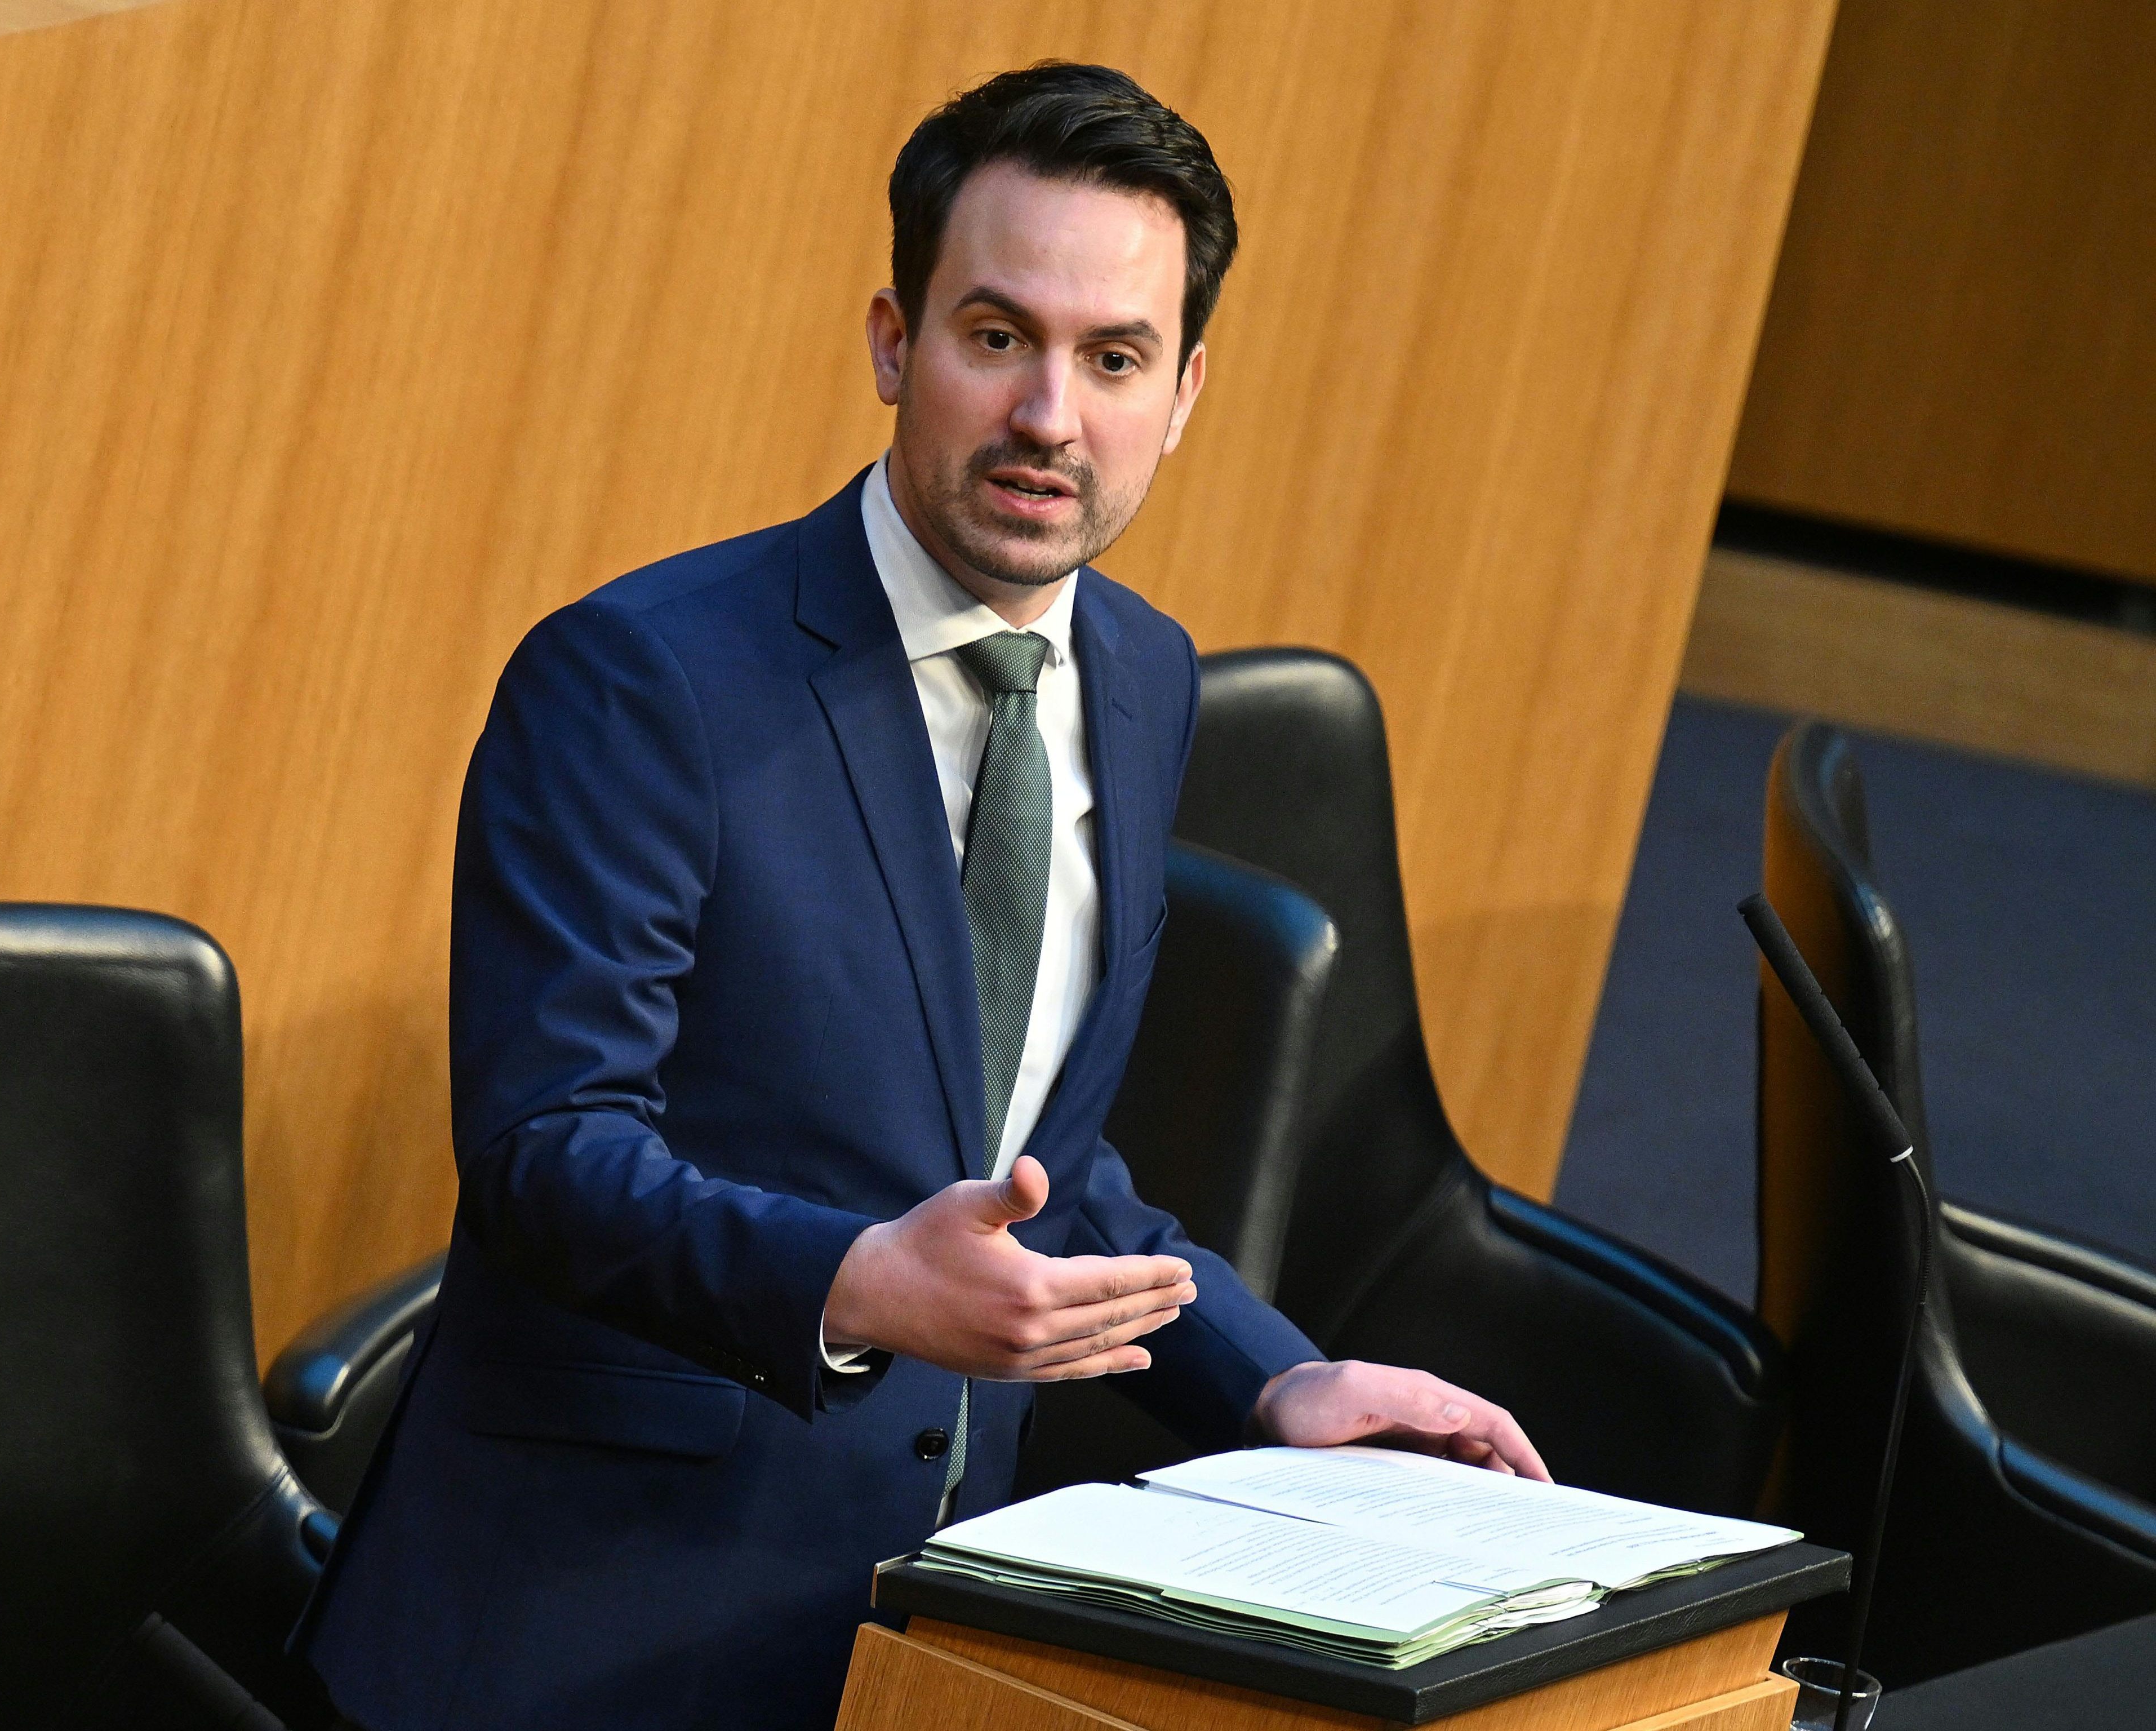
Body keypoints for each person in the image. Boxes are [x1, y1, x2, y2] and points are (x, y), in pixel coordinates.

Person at [297, 61, 1546, 1731]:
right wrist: (860, 1283)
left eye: (1116, 359)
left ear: (1185, 393)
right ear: (896, 343)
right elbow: (549, 1151)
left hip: (912, 1637)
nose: (1051, 415)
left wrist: (1278, 1378)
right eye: (998, 336)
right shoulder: (642, 678)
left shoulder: (1146, 678)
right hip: (574, 1634)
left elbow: (1041, 1162)